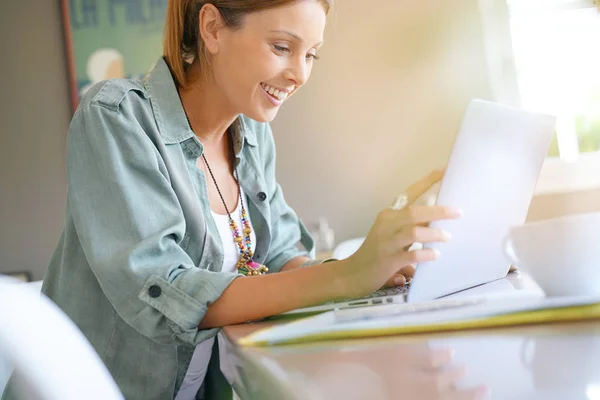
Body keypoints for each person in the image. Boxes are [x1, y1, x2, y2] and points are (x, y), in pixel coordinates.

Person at [2, 1, 461, 399]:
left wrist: (372, 270)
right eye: (282, 47)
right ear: (213, 28)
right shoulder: (117, 116)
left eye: (312, 54)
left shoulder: (253, 132)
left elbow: (282, 255)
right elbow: (165, 294)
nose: (300, 73)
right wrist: (347, 276)